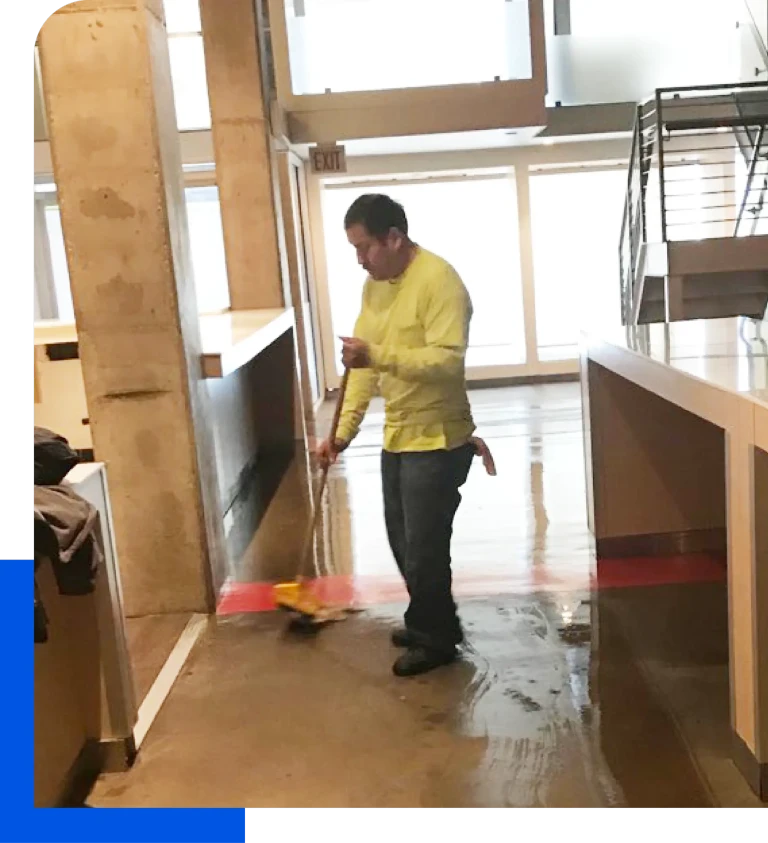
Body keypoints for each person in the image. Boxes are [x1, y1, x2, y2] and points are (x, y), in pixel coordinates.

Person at [317, 193, 481, 677]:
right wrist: (342, 435)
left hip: (440, 438)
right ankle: (434, 620)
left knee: (426, 546)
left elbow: (447, 361)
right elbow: (363, 371)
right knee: (404, 540)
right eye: (354, 249)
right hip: (400, 436)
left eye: (365, 247)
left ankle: (435, 639)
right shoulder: (376, 287)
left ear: (395, 238)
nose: (360, 260)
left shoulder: (440, 282)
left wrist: (378, 356)